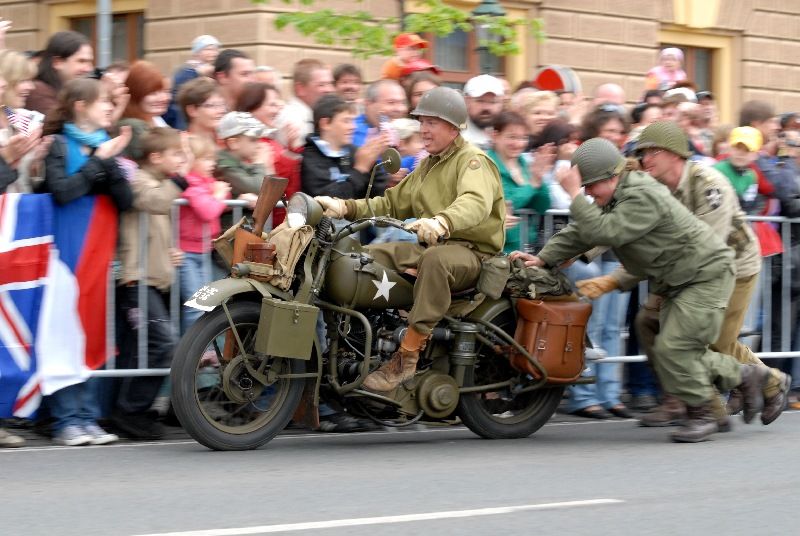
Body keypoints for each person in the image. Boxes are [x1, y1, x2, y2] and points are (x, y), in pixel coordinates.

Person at [511, 137, 772, 442]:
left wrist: (572, 195)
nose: (588, 193)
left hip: (704, 274)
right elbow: (582, 232)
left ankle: (705, 413)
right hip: (679, 278)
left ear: (611, 177)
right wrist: (544, 258)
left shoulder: (641, 194)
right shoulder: (616, 195)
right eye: (584, 188)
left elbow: (606, 231)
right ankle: (745, 375)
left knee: (675, 348)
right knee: (670, 348)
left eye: (590, 186)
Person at [315, 86, 505, 392]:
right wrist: (345, 207)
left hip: (472, 253)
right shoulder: (428, 164)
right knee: (362, 259)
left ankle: (407, 356)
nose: (424, 129)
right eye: (422, 122)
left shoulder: (473, 161)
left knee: (435, 260)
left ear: (453, 127)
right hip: (431, 245)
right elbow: (390, 203)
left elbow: (475, 202)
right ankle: (355, 344)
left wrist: (443, 221)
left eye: (432, 122)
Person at [623, 121, 790, 427]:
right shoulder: (656, 186)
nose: (644, 159)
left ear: (674, 154)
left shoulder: (709, 184)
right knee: (648, 321)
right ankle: (677, 400)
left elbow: (705, 248)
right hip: (684, 271)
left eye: (652, 152)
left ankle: (769, 382)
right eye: (641, 153)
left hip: (732, 268)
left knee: (715, 341)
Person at [39, 77, 134, 445]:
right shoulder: (58, 145)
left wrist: (110, 164)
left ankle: (88, 416)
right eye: (102, 101)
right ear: (80, 105)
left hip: (99, 250)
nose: (110, 107)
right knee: (65, 330)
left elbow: (125, 201)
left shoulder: (105, 146)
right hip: (67, 251)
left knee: (93, 330)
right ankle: (65, 419)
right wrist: (98, 162)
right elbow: (62, 192)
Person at [114, 127, 188, 439]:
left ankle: (131, 411)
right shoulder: (141, 181)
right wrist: (180, 180)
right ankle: (130, 411)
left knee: (141, 349)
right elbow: (153, 202)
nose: (181, 160)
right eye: (176, 154)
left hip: (154, 279)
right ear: (155, 157)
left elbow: (156, 228)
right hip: (137, 280)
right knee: (162, 343)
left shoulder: (159, 183)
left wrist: (170, 251)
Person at [178, 135, 230, 333]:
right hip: (187, 254)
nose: (212, 164)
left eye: (212, 159)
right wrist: (218, 195)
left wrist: (218, 194)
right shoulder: (189, 183)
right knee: (195, 306)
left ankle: (202, 347)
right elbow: (208, 211)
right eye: (206, 159)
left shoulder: (207, 183)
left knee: (206, 304)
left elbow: (224, 195)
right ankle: (191, 348)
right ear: (191, 160)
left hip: (204, 251)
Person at [235, 81, 302, 224]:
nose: (277, 110)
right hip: (267, 224)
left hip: (283, 221)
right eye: (272, 105)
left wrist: (292, 148)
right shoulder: (248, 146)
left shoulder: (272, 141)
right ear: (251, 108)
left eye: (278, 104)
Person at [300, 93, 388, 200]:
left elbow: (378, 195)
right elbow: (327, 201)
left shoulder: (353, 152)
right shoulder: (311, 159)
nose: (353, 127)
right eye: (346, 121)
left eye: (352, 121)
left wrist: (373, 163)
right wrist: (360, 169)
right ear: (325, 124)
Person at [486, 110, 550, 253]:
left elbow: (541, 207)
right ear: (495, 136)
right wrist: (532, 185)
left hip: (529, 247)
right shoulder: (486, 165)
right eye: (512, 137)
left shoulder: (525, 165)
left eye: (523, 138)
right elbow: (506, 203)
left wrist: (540, 181)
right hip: (500, 250)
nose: (518, 144)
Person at [26, 31, 94, 117]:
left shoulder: (70, 91)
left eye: (90, 62)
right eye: (81, 61)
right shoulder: (38, 91)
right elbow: (59, 123)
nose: (89, 69)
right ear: (57, 62)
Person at [275, 59, 334, 150]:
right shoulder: (293, 120)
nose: (329, 90)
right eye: (321, 85)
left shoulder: (312, 116)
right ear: (300, 89)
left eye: (330, 84)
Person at [118, 61, 171, 161]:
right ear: (136, 93)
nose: (163, 98)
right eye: (153, 93)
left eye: (165, 91)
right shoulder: (133, 127)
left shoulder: (156, 119)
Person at [164, 34, 220, 129]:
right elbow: (178, 93)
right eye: (208, 49)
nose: (213, 53)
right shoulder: (186, 70)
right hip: (185, 119)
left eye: (215, 49)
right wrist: (197, 72)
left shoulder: (214, 71)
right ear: (197, 52)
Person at [461, 74, 504, 151]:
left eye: (493, 102)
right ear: (466, 101)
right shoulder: (454, 137)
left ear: (501, 104)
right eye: (480, 101)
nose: (486, 107)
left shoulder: (509, 135)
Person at [177, 77, 226, 144]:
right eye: (211, 105)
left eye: (222, 104)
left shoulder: (229, 142)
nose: (221, 111)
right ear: (192, 110)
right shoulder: (180, 144)